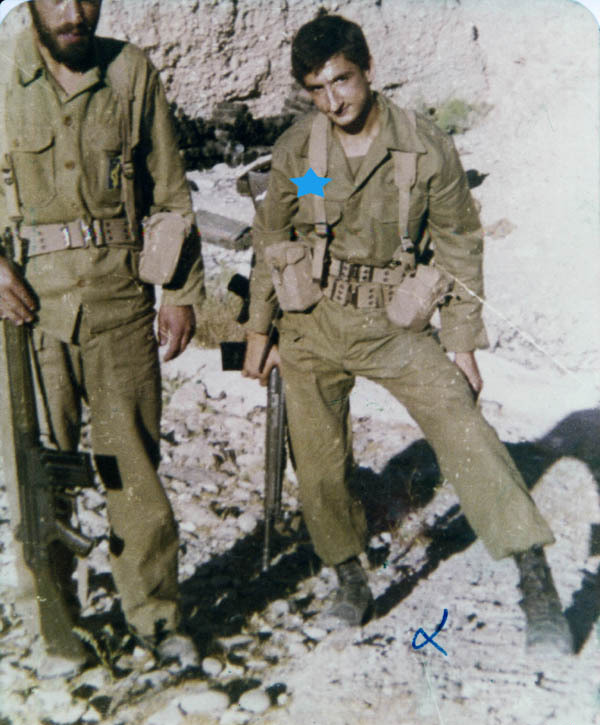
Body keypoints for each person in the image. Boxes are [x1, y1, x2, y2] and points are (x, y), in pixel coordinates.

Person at [243, 13, 572, 653]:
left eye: (342, 80)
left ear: (369, 71)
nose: (333, 101)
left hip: (393, 323)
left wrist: (462, 343)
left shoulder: (424, 145)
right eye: (316, 89)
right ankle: (349, 577)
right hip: (312, 322)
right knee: (319, 464)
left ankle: (536, 580)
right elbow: (272, 235)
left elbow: (458, 241)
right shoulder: (298, 149)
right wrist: (260, 331)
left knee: (463, 425)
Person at [0, 0, 203, 673]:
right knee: (37, 472)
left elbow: (169, 192)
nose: (73, 12)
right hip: (27, 314)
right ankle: (56, 625)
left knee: (133, 468)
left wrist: (179, 290)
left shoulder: (130, 72)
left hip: (120, 302)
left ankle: (156, 617)